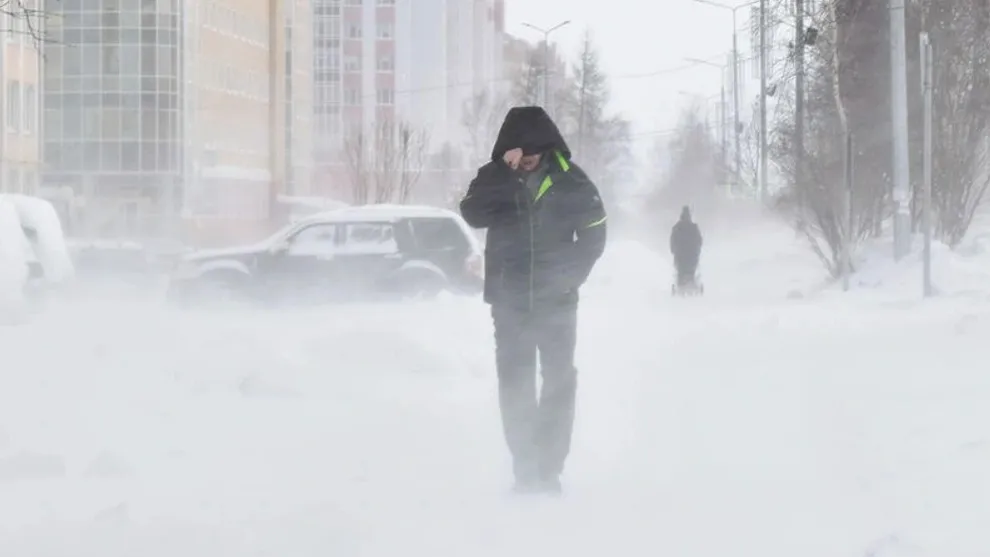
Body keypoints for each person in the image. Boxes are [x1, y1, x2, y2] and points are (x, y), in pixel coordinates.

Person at [459, 106, 607, 494]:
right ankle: (525, 467)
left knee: (559, 382)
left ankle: (550, 468)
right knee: (515, 384)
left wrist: (566, 279)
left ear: (545, 147)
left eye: (529, 153)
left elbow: (594, 235)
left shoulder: (573, 182)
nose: (523, 160)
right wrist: (500, 174)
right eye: (516, 152)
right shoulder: (495, 179)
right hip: (509, 303)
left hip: (557, 303)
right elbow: (472, 213)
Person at [670, 205, 703, 288]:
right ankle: (691, 282)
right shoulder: (694, 227)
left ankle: (681, 283)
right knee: (691, 270)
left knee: (680, 270)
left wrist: (673, 250)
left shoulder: (677, 228)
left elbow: (672, 240)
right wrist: (697, 250)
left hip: (680, 254)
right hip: (692, 254)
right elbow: (699, 240)